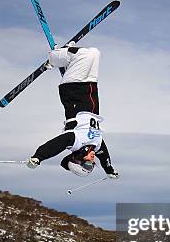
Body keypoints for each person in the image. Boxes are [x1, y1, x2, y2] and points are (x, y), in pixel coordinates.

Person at [26, 43, 119, 178]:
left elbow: (55, 146)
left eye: (87, 164)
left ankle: (55, 57)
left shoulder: (75, 141)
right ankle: (67, 57)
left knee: (86, 55)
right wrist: (109, 170)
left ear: (77, 159)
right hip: (90, 88)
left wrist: (38, 157)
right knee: (95, 52)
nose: (92, 161)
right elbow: (105, 157)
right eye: (92, 165)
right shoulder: (96, 145)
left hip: (73, 89)